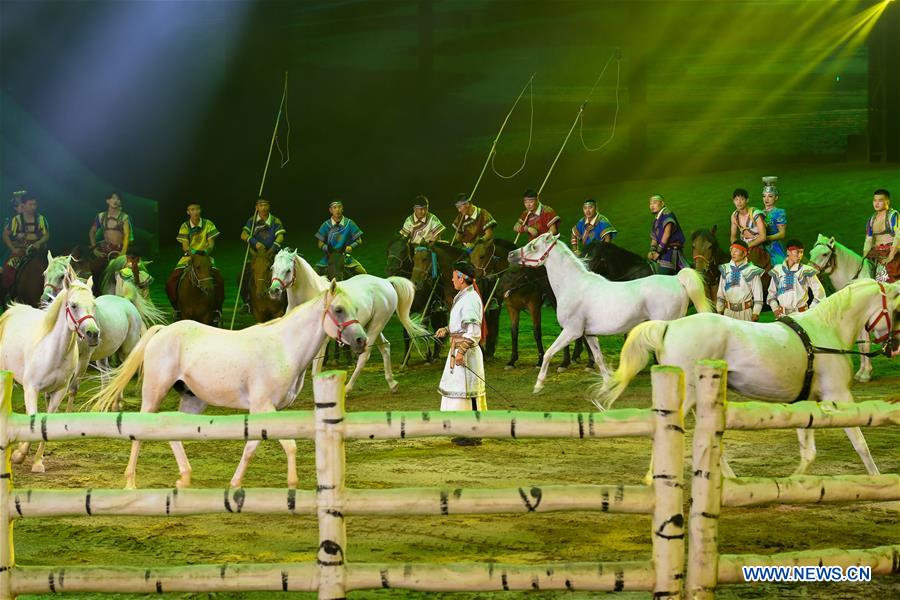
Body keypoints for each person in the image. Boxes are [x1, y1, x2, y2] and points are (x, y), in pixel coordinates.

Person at [436, 261, 486, 445]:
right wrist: (447, 329)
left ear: (462, 278)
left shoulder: (471, 299)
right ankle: (462, 429)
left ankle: (473, 433)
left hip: (466, 354)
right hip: (456, 350)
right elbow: (461, 324)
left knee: (468, 393)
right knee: (458, 392)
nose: (451, 279)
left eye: (454, 276)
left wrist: (461, 352)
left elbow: (473, 331)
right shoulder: (463, 296)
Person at [167, 202, 225, 323]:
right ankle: (177, 309)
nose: (195, 212)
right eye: (192, 209)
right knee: (171, 281)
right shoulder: (185, 226)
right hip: (189, 257)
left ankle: (217, 310)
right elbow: (185, 245)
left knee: (219, 280)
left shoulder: (208, 224)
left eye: (197, 209)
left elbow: (211, 243)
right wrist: (193, 252)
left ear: (200, 210)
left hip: (205, 256)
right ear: (188, 212)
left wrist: (206, 251)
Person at [240, 198, 286, 306]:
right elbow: (243, 235)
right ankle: (247, 301)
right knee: (243, 276)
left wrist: (272, 249)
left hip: (272, 255)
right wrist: (255, 243)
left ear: (269, 207)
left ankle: (286, 301)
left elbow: (280, 236)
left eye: (265, 205)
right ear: (256, 208)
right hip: (257, 256)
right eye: (261, 205)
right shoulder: (252, 221)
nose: (263, 208)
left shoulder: (275, 221)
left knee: (284, 274)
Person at [2, 194, 49, 293]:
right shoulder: (16, 220)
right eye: (30, 204)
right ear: (23, 205)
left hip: (38, 251)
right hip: (21, 251)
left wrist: (39, 242)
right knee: (8, 268)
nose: (33, 207)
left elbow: (46, 235)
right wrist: (13, 249)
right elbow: (5, 235)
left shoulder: (41, 219)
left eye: (35, 204)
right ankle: (7, 293)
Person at [767, 239, 826, 317]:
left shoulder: (806, 271)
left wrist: (811, 311)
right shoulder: (778, 270)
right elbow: (771, 293)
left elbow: (820, 294)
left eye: (802, 252)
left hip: (801, 315)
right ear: (788, 252)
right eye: (797, 252)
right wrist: (775, 308)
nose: (800, 255)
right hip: (782, 315)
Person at [716, 239, 764, 322]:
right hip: (728, 312)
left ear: (744, 253)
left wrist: (756, 312)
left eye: (737, 251)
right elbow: (721, 292)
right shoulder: (725, 269)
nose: (733, 253)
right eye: (732, 250)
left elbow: (758, 295)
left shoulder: (752, 271)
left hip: (745, 312)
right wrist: (719, 309)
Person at [314, 200, 366, 276]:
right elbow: (320, 243)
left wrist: (351, 247)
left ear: (342, 209)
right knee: (314, 274)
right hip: (329, 258)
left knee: (363, 273)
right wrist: (329, 249)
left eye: (339, 207)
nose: (337, 210)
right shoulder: (325, 225)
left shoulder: (349, 223)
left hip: (345, 257)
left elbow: (359, 240)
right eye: (334, 208)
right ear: (330, 210)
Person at [862, 188, 899, 282]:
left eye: (880, 200)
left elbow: (898, 236)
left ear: (887, 202)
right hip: (876, 254)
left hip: (892, 254)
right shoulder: (871, 219)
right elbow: (868, 240)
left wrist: (890, 256)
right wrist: (863, 258)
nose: (876, 203)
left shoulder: (893, 216)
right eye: (874, 200)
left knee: (889, 281)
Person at [730, 188, 769, 271]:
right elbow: (733, 237)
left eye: (742, 199)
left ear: (747, 200)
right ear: (733, 201)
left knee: (751, 266)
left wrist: (746, 246)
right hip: (743, 244)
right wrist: (736, 246)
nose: (739, 202)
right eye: (736, 199)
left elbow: (763, 237)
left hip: (757, 244)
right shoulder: (734, 216)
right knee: (732, 265)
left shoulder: (755, 214)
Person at [647, 194, 686, 274]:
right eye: (650, 204)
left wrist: (658, 252)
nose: (652, 206)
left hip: (671, 253)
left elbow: (666, 234)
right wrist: (652, 250)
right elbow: (654, 239)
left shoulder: (667, 214)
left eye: (654, 202)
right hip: (662, 254)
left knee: (662, 276)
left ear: (662, 203)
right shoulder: (656, 221)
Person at [89, 191, 132, 259]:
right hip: (105, 250)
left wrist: (123, 252)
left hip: (119, 251)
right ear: (107, 201)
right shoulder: (101, 216)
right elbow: (92, 232)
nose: (115, 201)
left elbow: (127, 236)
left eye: (118, 199)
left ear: (120, 202)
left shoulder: (124, 217)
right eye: (113, 198)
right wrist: (95, 250)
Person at [761, 176, 787, 266]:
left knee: (780, 267)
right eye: (764, 196)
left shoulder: (779, 212)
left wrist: (765, 238)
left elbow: (782, 234)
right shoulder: (759, 212)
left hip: (774, 247)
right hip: (760, 246)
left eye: (770, 196)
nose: (766, 199)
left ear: (776, 198)